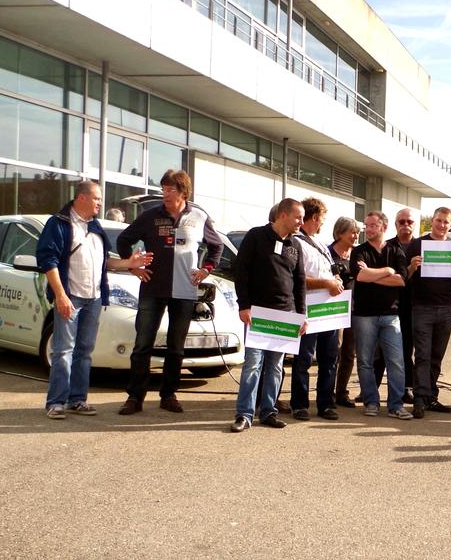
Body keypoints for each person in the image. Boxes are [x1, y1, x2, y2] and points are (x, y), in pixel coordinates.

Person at [36, 181, 151, 420]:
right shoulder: (59, 224)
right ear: (81, 198)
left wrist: (129, 264)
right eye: (97, 198)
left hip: (94, 298)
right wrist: (61, 295)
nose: (100, 203)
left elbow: (104, 263)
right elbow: (49, 261)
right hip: (71, 297)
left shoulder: (95, 226)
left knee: (85, 351)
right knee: (63, 351)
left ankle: (77, 399)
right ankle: (56, 402)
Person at [116, 170, 222, 415]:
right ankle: (134, 397)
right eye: (163, 189)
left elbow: (216, 247)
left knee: (176, 347)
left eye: (170, 189)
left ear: (183, 191)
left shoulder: (199, 216)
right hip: (152, 288)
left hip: (185, 291)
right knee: (143, 345)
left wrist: (206, 270)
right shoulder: (150, 215)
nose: (165, 194)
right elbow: (123, 240)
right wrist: (133, 266)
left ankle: (169, 395)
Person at [230, 199, 307, 432]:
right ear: (283, 215)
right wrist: (244, 305)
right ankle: (244, 414)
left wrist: (301, 315)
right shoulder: (256, 236)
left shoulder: (296, 246)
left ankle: (268, 412)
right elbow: (240, 271)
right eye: (298, 217)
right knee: (253, 364)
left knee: (275, 367)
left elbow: (300, 282)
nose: (301, 223)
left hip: (285, 316)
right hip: (258, 313)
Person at [404, 206, 451, 418]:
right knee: (423, 356)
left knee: (436, 356)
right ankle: (419, 398)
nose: (442, 225)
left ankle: (431, 397)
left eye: (446, 222)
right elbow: (404, 278)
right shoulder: (418, 244)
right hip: (421, 308)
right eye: (438, 220)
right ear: (432, 221)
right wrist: (411, 267)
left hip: (445, 308)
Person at [351, 211, 412, 419]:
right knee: (365, 361)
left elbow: (401, 281)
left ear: (384, 227)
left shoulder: (396, 251)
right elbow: (359, 276)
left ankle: (396, 405)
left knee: (396, 361)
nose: (368, 229)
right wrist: (387, 270)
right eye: (366, 225)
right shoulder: (358, 251)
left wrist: (372, 275)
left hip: (390, 315)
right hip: (364, 315)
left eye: (373, 225)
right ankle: (371, 401)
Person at [291, 197, 343, 421]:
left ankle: (325, 404)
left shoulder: (322, 245)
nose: (323, 224)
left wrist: (336, 280)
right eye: (322, 219)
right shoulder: (296, 243)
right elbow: (297, 279)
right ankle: (300, 404)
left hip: (329, 311)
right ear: (314, 217)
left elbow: (330, 273)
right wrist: (326, 284)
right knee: (303, 359)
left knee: (329, 358)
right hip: (308, 311)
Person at [329, 216, 360, 408]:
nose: (356, 235)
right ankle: (327, 391)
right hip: (332, 309)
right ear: (340, 233)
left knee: (349, 353)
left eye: (357, 231)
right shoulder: (327, 252)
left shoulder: (358, 254)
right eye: (352, 231)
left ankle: (341, 392)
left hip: (354, 309)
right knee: (333, 351)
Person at [388, 207, 417, 404]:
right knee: (381, 352)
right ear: (395, 224)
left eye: (409, 221)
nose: (405, 225)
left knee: (407, 349)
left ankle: (408, 388)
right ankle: (370, 389)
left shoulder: (423, 245)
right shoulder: (387, 246)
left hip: (415, 305)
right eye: (401, 221)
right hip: (390, 304)